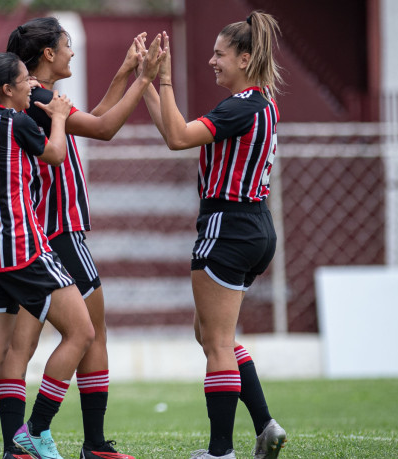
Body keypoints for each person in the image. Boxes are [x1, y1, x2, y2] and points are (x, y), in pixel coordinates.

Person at [0, 17, 164, 459]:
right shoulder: (39, 97)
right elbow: (104, 128)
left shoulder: (32, 96)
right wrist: (144, 79)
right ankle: (74, 440)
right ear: (48, 53)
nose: (72, 52)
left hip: (38, 233)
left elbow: (89, 119)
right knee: (91, 333)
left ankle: (18, 442)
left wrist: (123, 74)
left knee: (23, 344)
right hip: (60, 233)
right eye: (67, 45)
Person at [142, 11, 288, 459]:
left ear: (245, 58)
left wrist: (163, 80)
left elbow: (178, 138)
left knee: (217, 342)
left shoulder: (239, 106)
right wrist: (144, 81)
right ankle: (264, 424)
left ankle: (220, 451)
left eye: (219, 54)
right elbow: (174, 130)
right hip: (257, 227)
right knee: (210, 334)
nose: (211, 61)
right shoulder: (261, 104)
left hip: (229, 225)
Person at [0, 51, 93, 459]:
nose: (32, 85)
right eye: (24, 81)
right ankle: (34, 430)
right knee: (81, 332)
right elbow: (55, 155)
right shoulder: (15, 122)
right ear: (6, 89)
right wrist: (61, 116)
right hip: (22, 248)